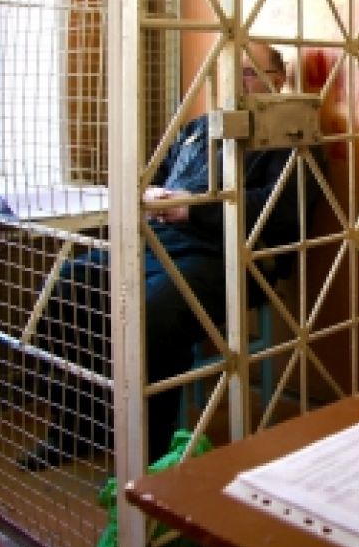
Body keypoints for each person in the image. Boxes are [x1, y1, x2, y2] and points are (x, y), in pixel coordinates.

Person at [20, 42, 323, 470]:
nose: (235, 83)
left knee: (154, 313)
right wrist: (149, 195)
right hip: (158, 246)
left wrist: (194, 209)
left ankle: (151, 451)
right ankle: (76, 427)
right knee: (66, 284)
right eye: (227, 72)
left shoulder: (293, 135)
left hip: (226, 258)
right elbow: (152, 179)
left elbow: (285, 213)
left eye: (249, 72)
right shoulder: (197, 128)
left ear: (279, 79)